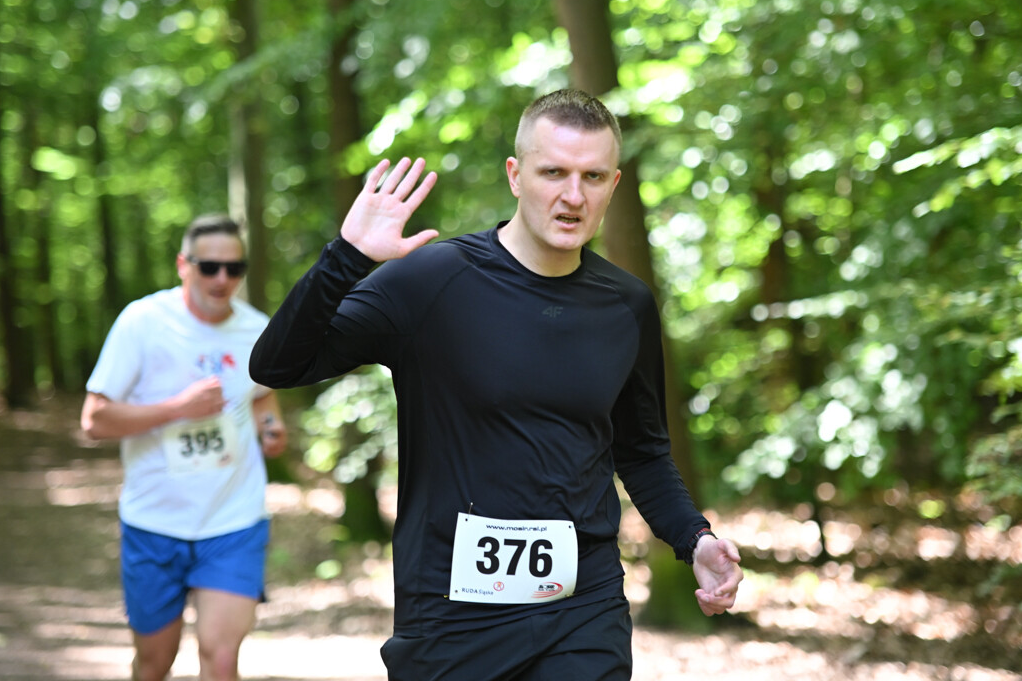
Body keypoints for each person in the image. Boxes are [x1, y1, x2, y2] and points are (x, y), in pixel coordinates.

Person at [249, 89, 742, 680]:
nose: (572, 196)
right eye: (553, 172)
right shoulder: (431, 282)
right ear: (515, 175)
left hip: (583, 607)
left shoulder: (626, 305)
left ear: (614, 184)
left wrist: (695, 539)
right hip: (452, 615)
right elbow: (277, 366)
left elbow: (641, 450)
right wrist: (348, 257)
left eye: (592, 176)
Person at [81, 214, 286, 681]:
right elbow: (94, 419)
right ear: (183, 265)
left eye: (234, 269)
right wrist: (178, 408)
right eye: (210, 266)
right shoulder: (143, 322)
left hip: (233, 521)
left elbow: (262, 393)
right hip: (154, 521)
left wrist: (270, 426)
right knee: (155, 662)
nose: (222, 279)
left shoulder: (257, 328)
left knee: (221, 657)